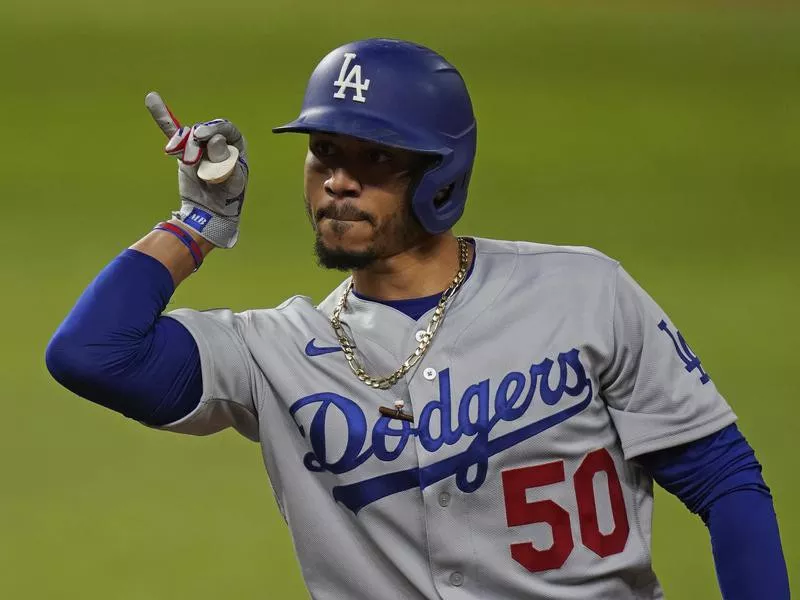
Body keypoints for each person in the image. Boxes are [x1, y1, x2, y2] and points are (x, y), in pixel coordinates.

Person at [46, 38, 788, 599]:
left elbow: (722, 478)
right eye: (324, 153)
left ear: (441, 176)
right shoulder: (272, 351)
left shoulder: (582, 292)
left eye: (374, 160)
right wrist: (197, 222)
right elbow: (91, 353)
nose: (338, 180)